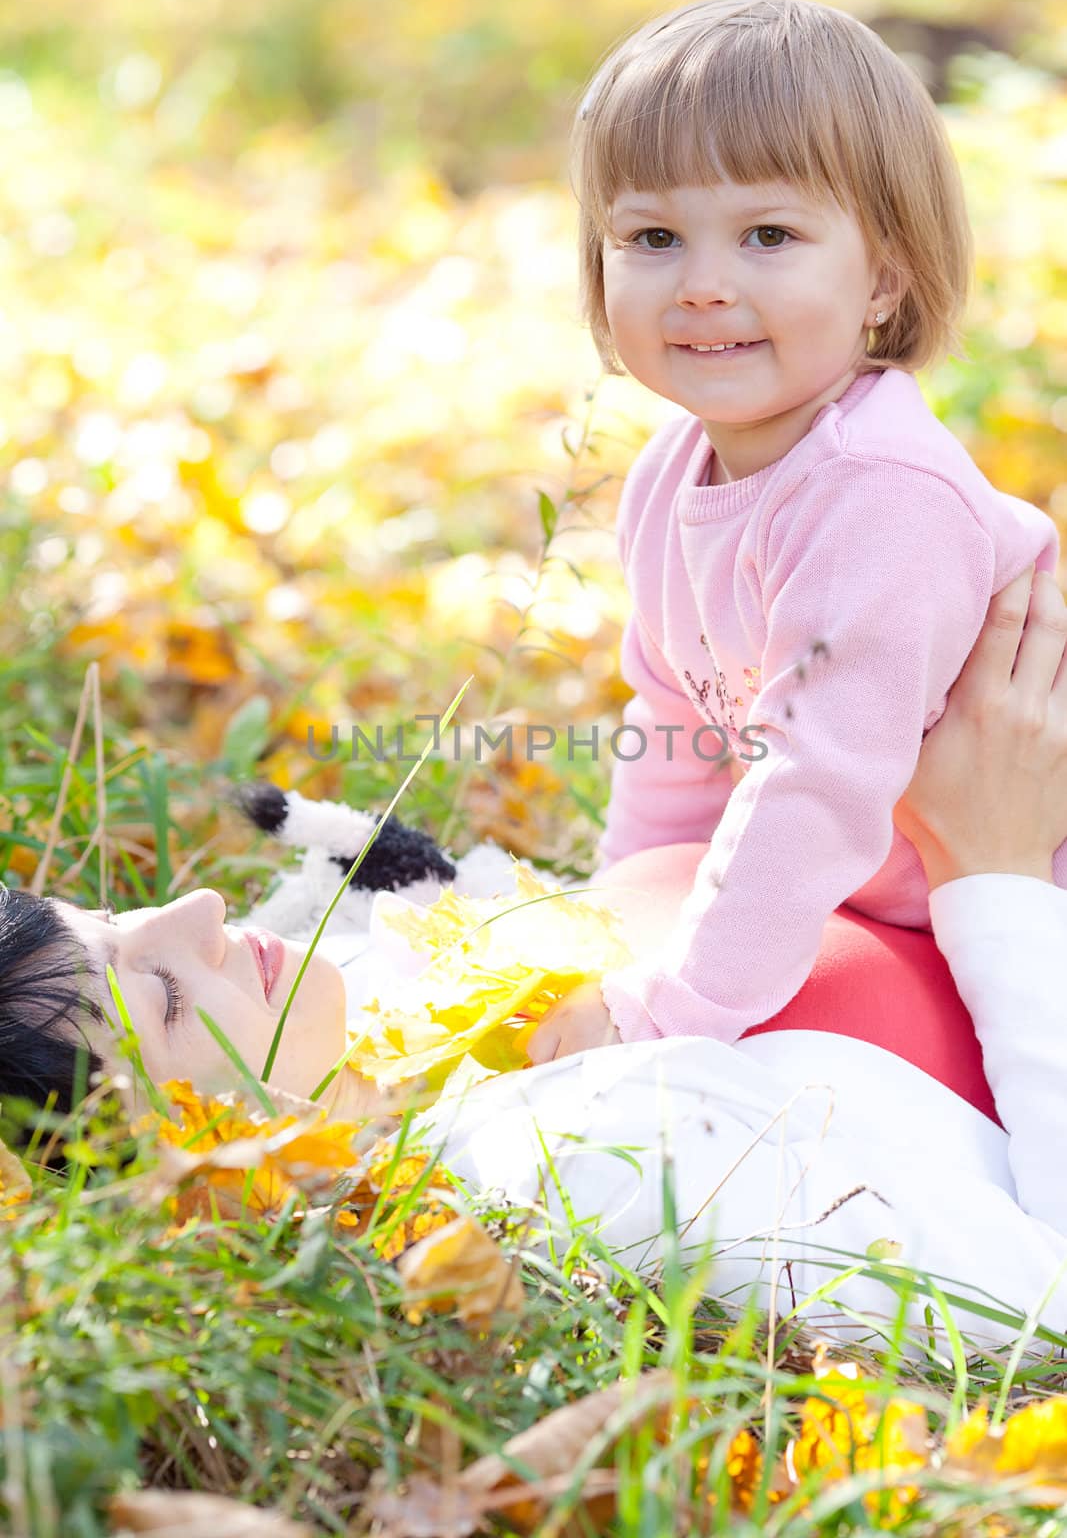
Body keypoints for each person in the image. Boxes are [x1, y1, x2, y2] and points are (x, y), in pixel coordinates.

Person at [5, 564, 1067, 1346]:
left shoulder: (379, 1009)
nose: (192, 908)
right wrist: (997, 865)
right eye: (162, 995)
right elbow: (1043, 1301)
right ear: (174, 1192)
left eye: (112, 914)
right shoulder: (580, 1177)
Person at [533, 0, 1067, 1064]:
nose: (701, 286)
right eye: (652, 237)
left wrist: (665, 1014)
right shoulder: (665, 477)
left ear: (881, 278)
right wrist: (612, 926)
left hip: (1017, 920)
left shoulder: (879, 496)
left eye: (767, 235)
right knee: (648, 914)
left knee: (776, 1059)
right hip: (889, 897)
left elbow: (812, 785)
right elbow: (677, 727)